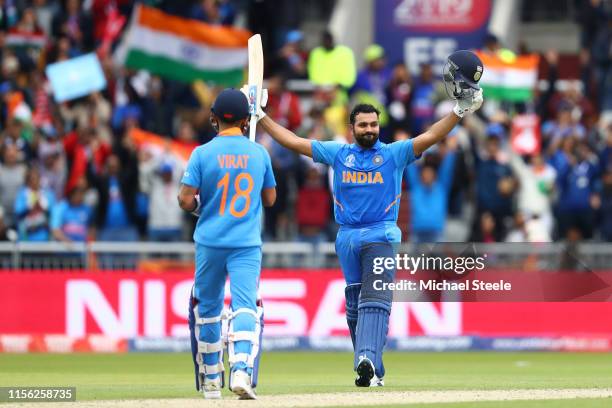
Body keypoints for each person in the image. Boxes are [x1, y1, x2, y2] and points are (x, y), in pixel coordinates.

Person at [256, 52, 484, 387]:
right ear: (352, 129)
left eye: (374, 124)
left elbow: (431, 136)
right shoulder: (338, 153)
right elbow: (292, 141)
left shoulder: (394, 153)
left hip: (381, 234)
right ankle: (371, 367)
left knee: (375, 299)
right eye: (363, 125)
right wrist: (261, 117)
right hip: (347, 236)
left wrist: (458, 111)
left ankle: (365, 358)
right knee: (353, 304)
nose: (369, 129)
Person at [177, 89, 277, 400]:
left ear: (213, 118)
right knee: (245, 306)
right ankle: (241, 371)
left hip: (209, 241)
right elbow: (270, 199)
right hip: (246, 243)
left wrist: (200, 207)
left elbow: (184, 199)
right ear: (247, 121)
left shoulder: (201, 154)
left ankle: (210, 379)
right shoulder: (259, 153)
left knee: (208, 309)